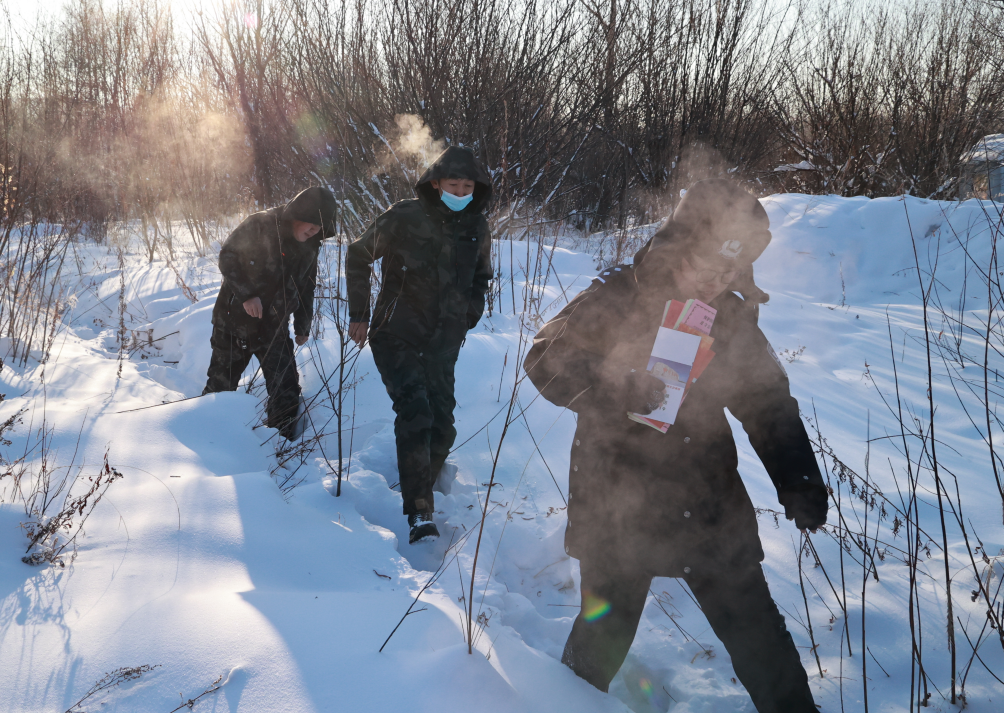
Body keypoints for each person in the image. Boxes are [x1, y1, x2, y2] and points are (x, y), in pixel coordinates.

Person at [523, 179, 828, 713]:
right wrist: (621, 386)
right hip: (618, 502)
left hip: (707, 501)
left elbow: (769, 405)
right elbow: (545, 359)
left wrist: (798, 477)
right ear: (676, 248)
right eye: (705, 266)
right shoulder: (616, 297)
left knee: (759, 637)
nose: (715, 282)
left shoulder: (729, 318)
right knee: (603, 632)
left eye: (729, 272)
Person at [346, 146, 493, 544]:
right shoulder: (404, 216)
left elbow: (481, 278)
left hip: (444, 340)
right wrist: (359, 313)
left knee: (442, 426)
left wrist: (467, 316)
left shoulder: (477, 225)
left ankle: (420, 478)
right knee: (415, 412)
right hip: (396, 334)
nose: (460, 193)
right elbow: (358, 255)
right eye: (453, 185)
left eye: (467, 187)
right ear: (436, 183)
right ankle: (419, 512)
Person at [203, 186, 338, 438]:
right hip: (234, 324)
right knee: (220, 388)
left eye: (318, 229)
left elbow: (307, 285)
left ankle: (278, 444)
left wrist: (303, 324)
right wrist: (247, 295)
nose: (313, 232)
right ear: (297, 216)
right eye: (310, 226)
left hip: (274, 327)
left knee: (286, 389)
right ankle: (209, 439)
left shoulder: (311, 246)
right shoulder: (259, 224)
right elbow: (228, 257)